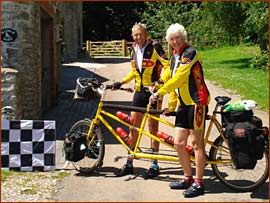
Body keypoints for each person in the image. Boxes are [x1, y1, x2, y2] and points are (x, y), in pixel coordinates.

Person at [150, 23, 210, 197]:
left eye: (178, 38)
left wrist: (160, 93)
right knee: (179, 143)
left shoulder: (190, 53)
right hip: (184, 105)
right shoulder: (174, 56)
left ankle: (199, 183)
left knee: (197, 145)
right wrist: (170, 104)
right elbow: (172, 80)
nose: (175, 41)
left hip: (197, 102)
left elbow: (179, 78)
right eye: (172, 39)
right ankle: (188, 178)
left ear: (184, 38)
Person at [113, 22, 168, 179]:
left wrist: (160, 82)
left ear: (146, 34)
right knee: (133, 127)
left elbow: (168, 67)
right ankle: (130, 162)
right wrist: (121, 83)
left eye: (141, 34)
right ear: (132, 36)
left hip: (153, 93)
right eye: (136, 35)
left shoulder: (155, 48)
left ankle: (154, 164)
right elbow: (134, 72)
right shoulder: (133, 49)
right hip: (139, 93)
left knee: (153, 129)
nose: (139, 37)